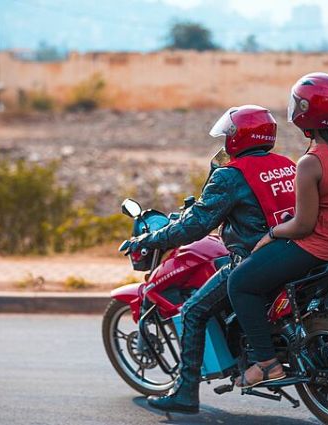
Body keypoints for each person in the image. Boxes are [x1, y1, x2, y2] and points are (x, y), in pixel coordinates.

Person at [127, 105, 298, 414]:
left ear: (238, 137)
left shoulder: (231, 176)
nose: (225, 141)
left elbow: (194, 226)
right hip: (293, 252)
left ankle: (185, 393)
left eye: (228, 134)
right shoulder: (287, 164)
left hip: (252, 258)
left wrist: (149, 238)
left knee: (193, 310)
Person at [227, 73, 328, 388]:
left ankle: (266, 364)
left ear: (305, 111)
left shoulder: (310, 162)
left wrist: (271, 234)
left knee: (240, 282)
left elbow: (303, 225)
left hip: (321, 248)